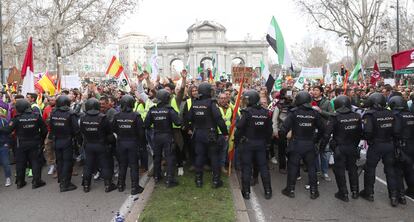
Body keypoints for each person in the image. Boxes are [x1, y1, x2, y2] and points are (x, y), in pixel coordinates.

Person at [279, 91, 324, 199]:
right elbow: (323, 129)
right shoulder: (314, 113)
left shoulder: (294, 113)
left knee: (293, 166)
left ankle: (290, 189)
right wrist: (316, 140)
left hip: (296, 144)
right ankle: (314, 191)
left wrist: (284, 142)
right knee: (312, 167)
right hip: (309, 144)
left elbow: (283, 129)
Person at [359, 92, 399, 207]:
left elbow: (368, 132)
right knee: (390, 170)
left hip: (376, 145)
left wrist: (368, 139)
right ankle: (394, 196)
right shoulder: (391, 113)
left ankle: (369, 193)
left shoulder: (369, 115)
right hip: (389, 144)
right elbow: (396, 131)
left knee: (370, 169)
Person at [185, 82, 228, 188]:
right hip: (211, 134)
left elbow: (188, 118)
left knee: (199, 156)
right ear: (208, 91)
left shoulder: (195, 103)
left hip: (198, 133)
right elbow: (219, 120)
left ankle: (199, 180)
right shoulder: (211, 103)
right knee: (214, 157)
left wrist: (193, 125)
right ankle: (216, 181)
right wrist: (225, 132)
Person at [321, 96, 362, 202]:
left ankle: (343, 193)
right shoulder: (357, 116)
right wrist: (354, 144)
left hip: (340, 148)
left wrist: (321, 148)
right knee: (352, 169)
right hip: (352, 147)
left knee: (339, 170)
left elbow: (326, 135)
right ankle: (355, 192)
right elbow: (360, 134)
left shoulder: (335, 117)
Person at [0, 99, 47, 189]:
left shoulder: (17, 118)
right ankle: (36, 181)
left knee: (20, 162)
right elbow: (44, 130)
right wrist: (41, 140)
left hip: (21, 143)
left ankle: (20, 182)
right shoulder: (36, 116)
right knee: (35, 162)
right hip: (35, 142)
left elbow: (7, 130)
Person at [235, 90, 272, 200]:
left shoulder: (247, 112)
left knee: (246, 167)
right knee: (263, 167)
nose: (245, 101)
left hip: (248, 144)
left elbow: (240, 127)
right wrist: (268, 143)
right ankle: (268, 191)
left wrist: (236, 141)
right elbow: (269, 130)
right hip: (261, 143)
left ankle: (246, 192)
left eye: (247, 99)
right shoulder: (266, 112)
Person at [145, 89, 181, 187]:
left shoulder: (152, 110)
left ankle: (157, 176)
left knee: (157, 157)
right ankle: (169, 180)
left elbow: (147, 124)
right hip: (167, 136)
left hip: (156, 136)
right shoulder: (169, 110)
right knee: (169, 157)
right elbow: (178, 122)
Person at [80, 98, 116, 193]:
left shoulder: (83, 118)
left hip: (89, 144)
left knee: (88, 165)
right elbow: (109, 133)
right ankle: (108, 185)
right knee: (105, 165)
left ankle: (86, 186)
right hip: (101, 144)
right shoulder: (103, 117)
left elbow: (82, 131)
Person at [113, 95, 145, 194]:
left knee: (122, 164)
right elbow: (141, 132)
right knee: (133, 165)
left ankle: (120, 185)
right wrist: (141, 144)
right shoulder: (136, 116)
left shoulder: (117, 116)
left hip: (121, 143)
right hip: (132, 143)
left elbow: (113, 129)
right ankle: (135, 187)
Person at [49, 95, 79, 192]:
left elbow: (51, 127)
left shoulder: (53, 112)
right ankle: (65, 184)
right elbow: (76, 129)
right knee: (67, 162)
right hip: (67, 141)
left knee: (60, 161)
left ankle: (61, 180)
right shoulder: (71, 113)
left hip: (56, 140)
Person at [388, 95, 413, 203]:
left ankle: (401, 195)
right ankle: (411, 190)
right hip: (412, 144)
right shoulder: (411, 115)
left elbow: (396, 131)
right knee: (410, 169)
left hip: (401, 145)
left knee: (397, 170)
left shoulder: (397, 116)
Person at [0, 108, 11, 187]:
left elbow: (9, 132)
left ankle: (8, 178)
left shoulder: (3, 121)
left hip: (3, 145)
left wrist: (7, 143)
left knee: (5, 163)